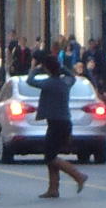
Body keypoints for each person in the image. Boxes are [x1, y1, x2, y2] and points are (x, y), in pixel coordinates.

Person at [27, 56, 87, 198]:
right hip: (64, 123)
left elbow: (30, 81)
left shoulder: (49, 83)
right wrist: (62, 68)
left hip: (56, 124)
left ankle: (78, 175)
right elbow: (72, 76)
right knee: (51, 155)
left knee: (50, 157)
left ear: (47, 69)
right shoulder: (65, 82)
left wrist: (35, 69)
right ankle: (53, 188)